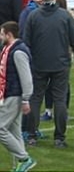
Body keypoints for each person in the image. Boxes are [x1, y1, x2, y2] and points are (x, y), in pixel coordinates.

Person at [23, 0, 74, 148]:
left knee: (35, 98)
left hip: (39, 64)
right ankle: (59, 138)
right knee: (60, 100)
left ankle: (32, 135)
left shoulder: (33, 16)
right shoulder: (64, 16)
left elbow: (26, 42)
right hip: (60, 64)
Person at [0, 21, 36, 172]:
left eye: (2, 34)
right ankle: (20, 165)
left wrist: (26, 99)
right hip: (8, 94)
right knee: (15, 131)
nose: (0, 36)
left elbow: (26, 77)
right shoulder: (8, 49)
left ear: (9, 34)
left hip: (13, 95)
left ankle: (24, 158)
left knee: (1, 129)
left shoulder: (18, 52)